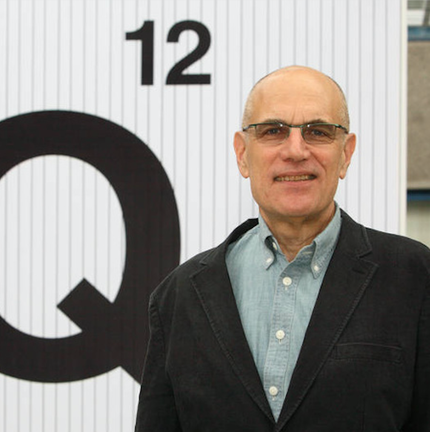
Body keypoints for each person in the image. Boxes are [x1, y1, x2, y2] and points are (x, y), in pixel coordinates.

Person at [135, 66, 430, 431]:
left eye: (318, 131)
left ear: (346, 153)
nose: (295, 150)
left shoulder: (414, 278)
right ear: (242, 154)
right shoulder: (179, 296)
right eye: (272, 131)